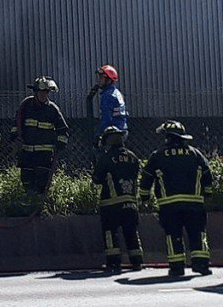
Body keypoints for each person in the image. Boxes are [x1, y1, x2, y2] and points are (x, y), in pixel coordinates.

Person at [139, 120, 213, 277]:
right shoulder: (195, 153)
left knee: (173, 235)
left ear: (167, 137)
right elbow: (207, 176)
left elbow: (146, 178)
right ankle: (201, 265)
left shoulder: (157, 156)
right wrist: (207, 194)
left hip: (169, 206)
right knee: (198, 233)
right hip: (195, 205)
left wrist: (144, 197)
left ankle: (177, 267)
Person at [92, 126, 143, 274]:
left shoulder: (106, 158)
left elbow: (97, 179)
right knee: (131, 232)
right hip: (131, 203)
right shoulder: (133, 157)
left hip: (111, 204)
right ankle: (137, 262)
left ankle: (114, 263)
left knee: (110, 233)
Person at [12, 76, 69, 196]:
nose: (43, 95)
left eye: (45, 92)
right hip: (27, 151)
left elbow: (62, 129)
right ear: (35, 92)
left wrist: (61, 143)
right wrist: (15, 136)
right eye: (40, 92)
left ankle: (39, 204)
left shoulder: (52, 109)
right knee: (27, 180)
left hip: (44, 153)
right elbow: (16, 123)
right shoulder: (26, 106)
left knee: (42, 181)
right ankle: (29, 202)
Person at [88, 64, 128, 146]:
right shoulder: (116, 92)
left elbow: (106, 118)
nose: (99, 80)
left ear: (108, 79)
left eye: (101, 77)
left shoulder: (107, 95)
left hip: (112, 134)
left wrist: (99, 134)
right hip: (122, 130)